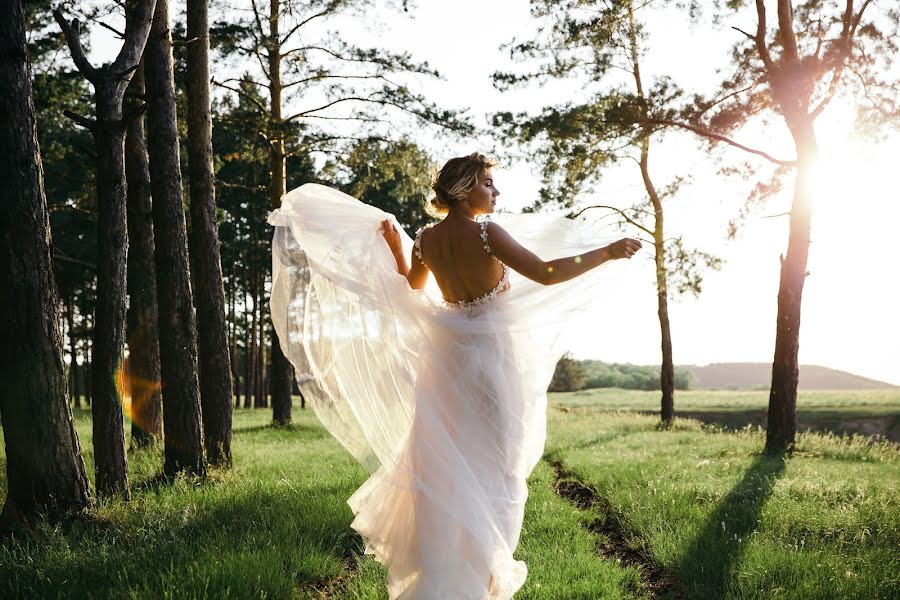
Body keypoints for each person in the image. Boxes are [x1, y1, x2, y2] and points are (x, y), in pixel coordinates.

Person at [268, 152, 641, 599]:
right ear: (464, 190)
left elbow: (411, 288)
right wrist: (608, 251)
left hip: (447, 365)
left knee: (449, 466)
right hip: (491, 362)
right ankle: (481, 580)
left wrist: (395, 245)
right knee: (498, 468)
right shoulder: (487, 233)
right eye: (488, 183)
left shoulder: (425, 239)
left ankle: (446, 578)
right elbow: (545, 273)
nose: (496, 192)